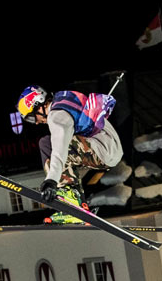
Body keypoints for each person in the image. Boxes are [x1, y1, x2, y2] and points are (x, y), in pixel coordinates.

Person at [17, 84, 123, 224]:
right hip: (110, 146)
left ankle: (72, 204)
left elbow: (59, 149)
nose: (36, 122)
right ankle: (79, 205)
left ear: (39, 105)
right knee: (58, 148)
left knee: (46, 144)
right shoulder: (65, 98)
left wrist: (51, 180)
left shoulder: (56, 115)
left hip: (102, 150)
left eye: (31, 117)